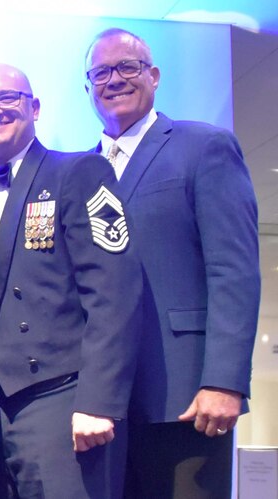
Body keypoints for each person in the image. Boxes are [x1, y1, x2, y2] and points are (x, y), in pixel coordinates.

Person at [84, 28, 260, 498]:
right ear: (88, 88)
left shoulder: (204, 147)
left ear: (154, 76)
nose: (114, 79)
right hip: (99, 408)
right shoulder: (79, 172)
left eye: (128, 66)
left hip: (185, 398)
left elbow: (234, 271)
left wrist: (224, 381)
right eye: (101, 72)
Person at [0, 64, 143, 498]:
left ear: (34, 108)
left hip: (64, 401)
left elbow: (114, 291)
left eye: (8, 98)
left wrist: (99, 402)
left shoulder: (79, 173)